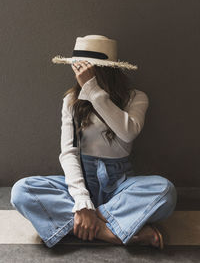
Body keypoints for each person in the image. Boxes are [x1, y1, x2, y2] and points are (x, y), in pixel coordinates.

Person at [10, 35, 177, 249]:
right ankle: (108, 232)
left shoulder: (136, 97)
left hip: (120, 186)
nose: (78, 74)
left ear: (106, 69)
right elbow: (68, 153)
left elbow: (127, 132)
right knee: (21, 191)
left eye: (85, 69)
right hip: (82, 181)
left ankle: (75, 225)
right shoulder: (71, 100)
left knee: (165, 191)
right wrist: (82, 202)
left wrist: (92, 89)